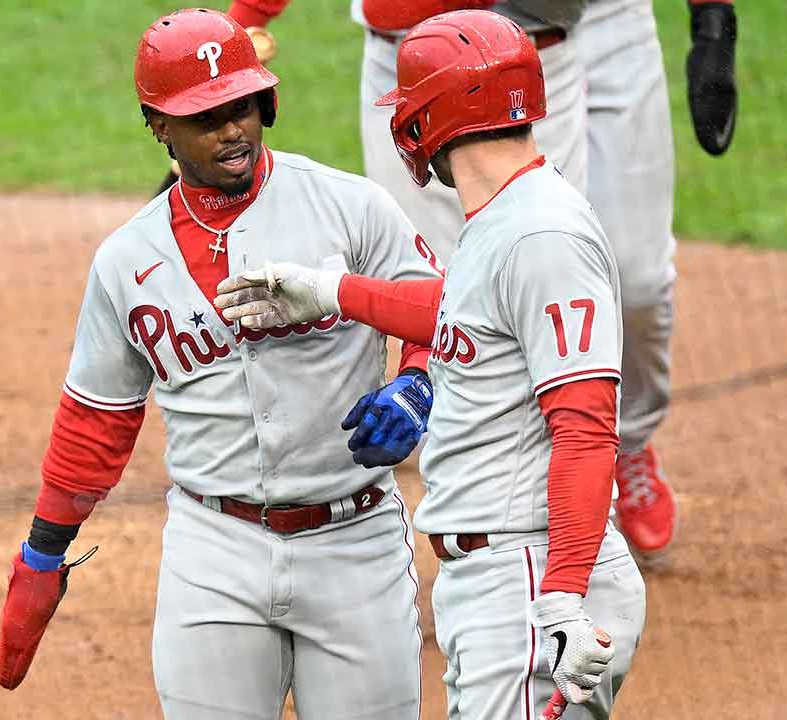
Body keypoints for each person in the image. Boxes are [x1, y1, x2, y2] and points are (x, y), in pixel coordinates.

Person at [0, 10, 442, 719]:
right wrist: (44, 552)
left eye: (240, 107)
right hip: (214, 556)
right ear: (158, 127)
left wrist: (417, 387)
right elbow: (95, 424)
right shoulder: (126, 261)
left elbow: (436, 313)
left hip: (354, 543)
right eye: (204, 116)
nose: (231, 129)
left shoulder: (350, 206)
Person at [215, 10, 646, 717]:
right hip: (505, 577)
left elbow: (586, 431)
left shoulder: (541, 234)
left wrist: (563, 596)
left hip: (533, 580)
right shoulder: (507, 214)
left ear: (432, 118)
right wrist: (329, 291)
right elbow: (464, 315)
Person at [223, 0, 740, 564]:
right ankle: (492, 534)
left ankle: (620, 451)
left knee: (620, 282)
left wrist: (712, 17)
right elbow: (443, 306)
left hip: (557, 27)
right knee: (457, 299)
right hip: (421, 41)